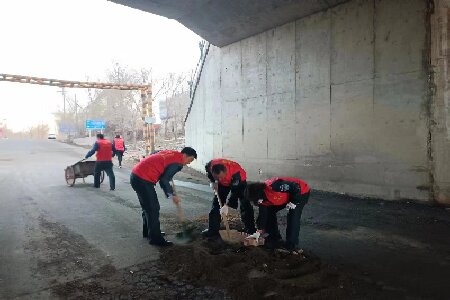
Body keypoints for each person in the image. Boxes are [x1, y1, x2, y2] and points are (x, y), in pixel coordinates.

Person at [130, 147, 197, 246]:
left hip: (136, 175)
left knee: (148, 208)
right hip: (143, 179)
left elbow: (155, 153)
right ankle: (156, 239)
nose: (189, 163)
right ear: (185, 155)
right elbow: (164, 180)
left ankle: (150, 233)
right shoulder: (177, 163)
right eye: (190, 160)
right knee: (153, 208)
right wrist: (171, 195)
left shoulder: (172, 152)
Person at [245, 177, 310, 252]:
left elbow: (296, 187)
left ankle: (291, 245)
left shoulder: (275, 186)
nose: (257, 202)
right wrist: (259, 231)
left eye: (255, 200)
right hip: (283, 197)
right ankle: (274, 238)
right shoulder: (261, 199)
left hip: (300, 193)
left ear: (259, 193)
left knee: (293, 217)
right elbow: (263, 215)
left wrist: (293, 202)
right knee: (269, 212)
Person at [202, 159, 256, 238]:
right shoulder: (210, 165)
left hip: (240, 184)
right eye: (217, 178)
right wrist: (213, 181)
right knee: (216, 203)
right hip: (224, 184)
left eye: (220, 177)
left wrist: (227, 206)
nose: (219, 179)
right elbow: (209, 173)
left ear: (225, 172)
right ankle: (213, 230)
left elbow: (235, 193)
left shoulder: (236, 174)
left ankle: (251, 230)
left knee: (245, 204)